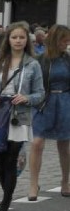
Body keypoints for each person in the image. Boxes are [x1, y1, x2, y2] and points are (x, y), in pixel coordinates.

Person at [0, 21, 45, 211]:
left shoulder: (32, 64)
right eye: (14, 37)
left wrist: (26, 98)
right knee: (0, 161)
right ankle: (6, 194)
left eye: (21, 37)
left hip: (19, 116)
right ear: (8, 40)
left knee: (11, 160)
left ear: (27, 40)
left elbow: (40, 93)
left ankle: (4, 204)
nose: (18, 41)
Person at [29, 24, 70, 199]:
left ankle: (65, 181)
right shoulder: (40, 60)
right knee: (37, 143)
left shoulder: (67, 58)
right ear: (55, 40)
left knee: (65, 146)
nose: (67, 43)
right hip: (45, 103)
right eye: (64, 40)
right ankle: (33, 184)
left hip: (65, 102)